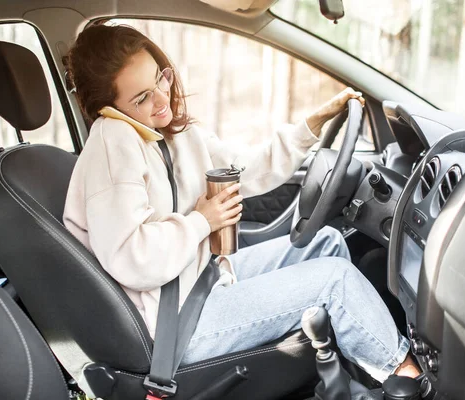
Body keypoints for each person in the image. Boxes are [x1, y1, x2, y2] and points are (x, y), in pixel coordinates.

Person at [63, 23, 420, 382]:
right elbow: (131, 257)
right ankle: (408, 381)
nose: (160, 99)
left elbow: (245, 170)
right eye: (141, 98)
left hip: (199, 283)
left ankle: (350, 373)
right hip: (173, 323)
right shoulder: (113, 144)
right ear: (108, 108)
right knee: (335, 280)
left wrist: (312, 125)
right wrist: (202, 221)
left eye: (161, 78)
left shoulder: (171, 135)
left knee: (325, 242)